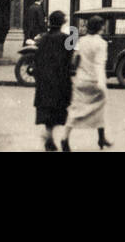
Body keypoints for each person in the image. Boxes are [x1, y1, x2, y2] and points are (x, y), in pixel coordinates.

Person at [62, 15, 111, 151]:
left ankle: (64, 138)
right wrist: (102, 84)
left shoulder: (81, 41)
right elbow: (99, 64)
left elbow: (74, 60)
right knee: (100, 108)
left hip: (81, 79)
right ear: (100, 27)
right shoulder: (101, 43)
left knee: (75, 110)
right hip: (95, 81)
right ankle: (101, 138)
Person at [33, 10, 72, 151]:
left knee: (47, 110)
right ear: (62, 23)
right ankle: (50, 138)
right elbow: (69, 60)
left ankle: (48, 137)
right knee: (59, 110)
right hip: (60, 81)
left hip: (44, 81)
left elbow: (37, 59)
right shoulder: (66, 39)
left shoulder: (42, 39)